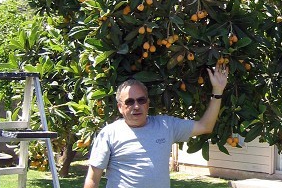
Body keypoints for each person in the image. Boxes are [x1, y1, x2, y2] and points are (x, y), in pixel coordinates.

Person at [83, 62, 229, 188]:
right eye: (129, 102)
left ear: (148, 103)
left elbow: (205, 126)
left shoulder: (166, 126)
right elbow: (92, 178)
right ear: (120, 107)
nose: (136, 106)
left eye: (141, 100)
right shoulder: (109, 133)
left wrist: (218, 91)